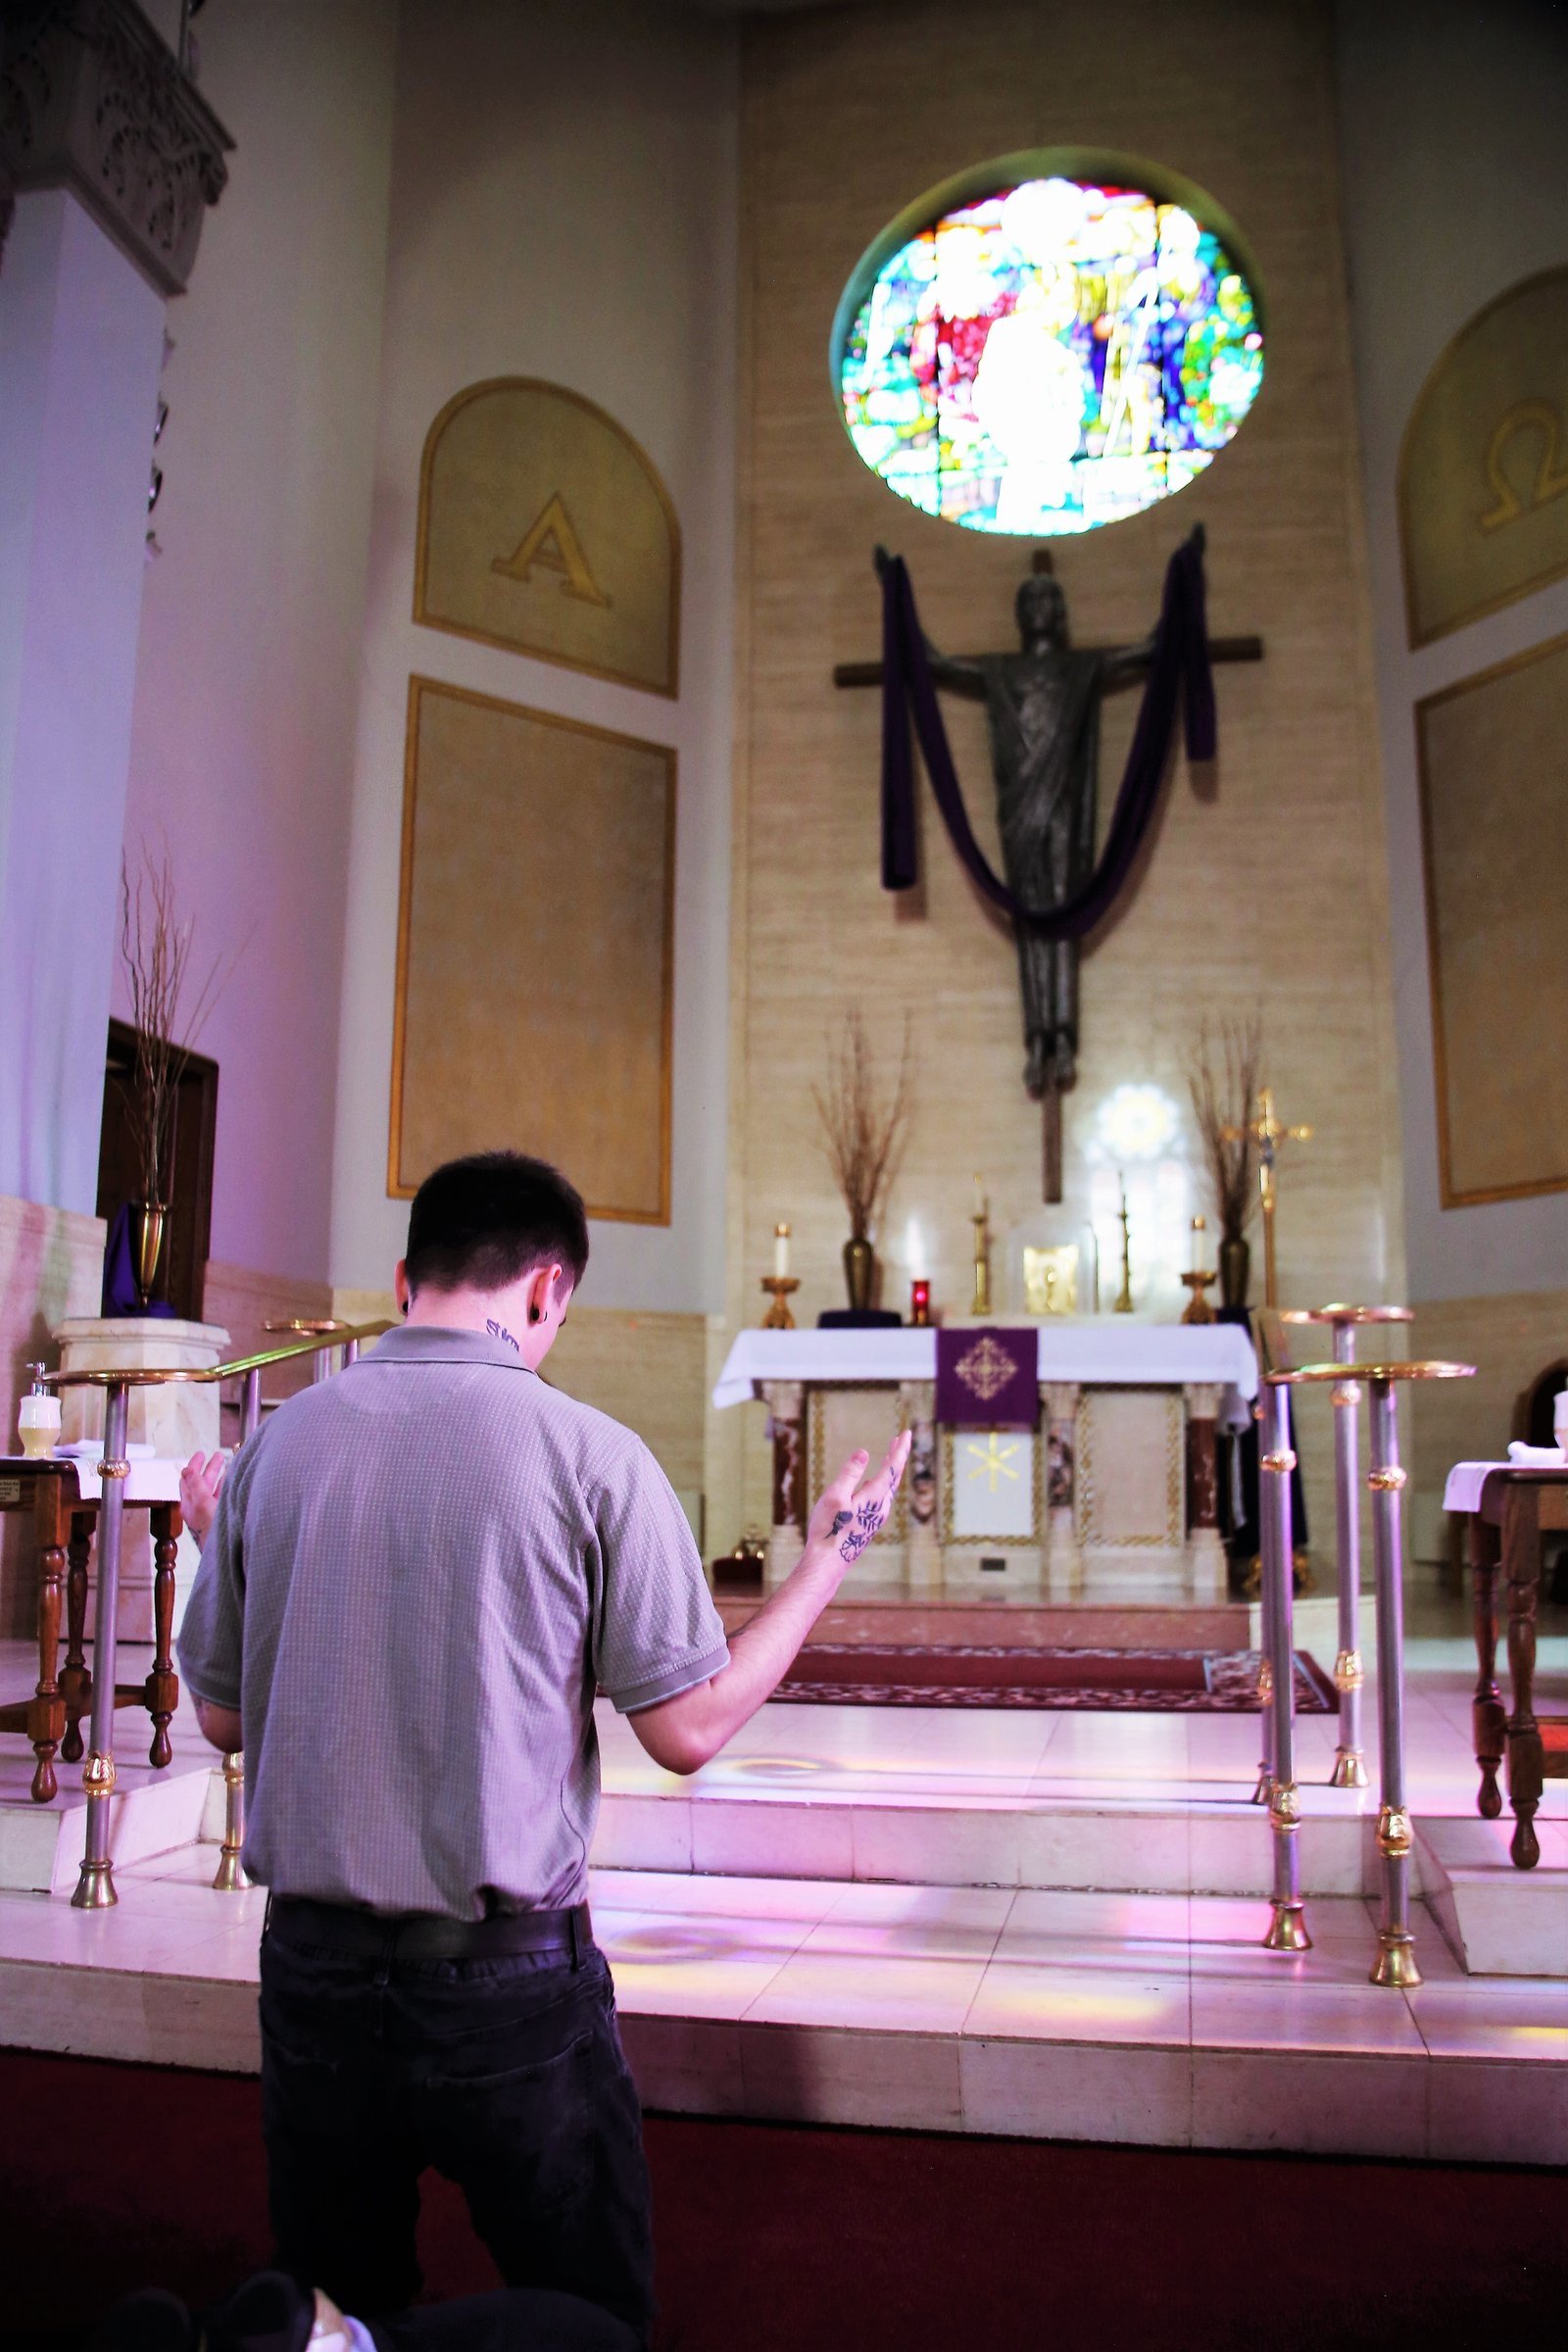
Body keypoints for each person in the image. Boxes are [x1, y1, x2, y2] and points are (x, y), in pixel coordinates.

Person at [176, 1152, 907, 2343]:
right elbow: (688, 1727)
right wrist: (828, 1554)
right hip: (502, 1982)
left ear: (405, 1278)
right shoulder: (590, 1456)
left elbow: (221, 1718)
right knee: (587, 2321)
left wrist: (231, 1548)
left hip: (309, 1973)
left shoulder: (276, 1451)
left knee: (336, 2314)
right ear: (548, 1288)